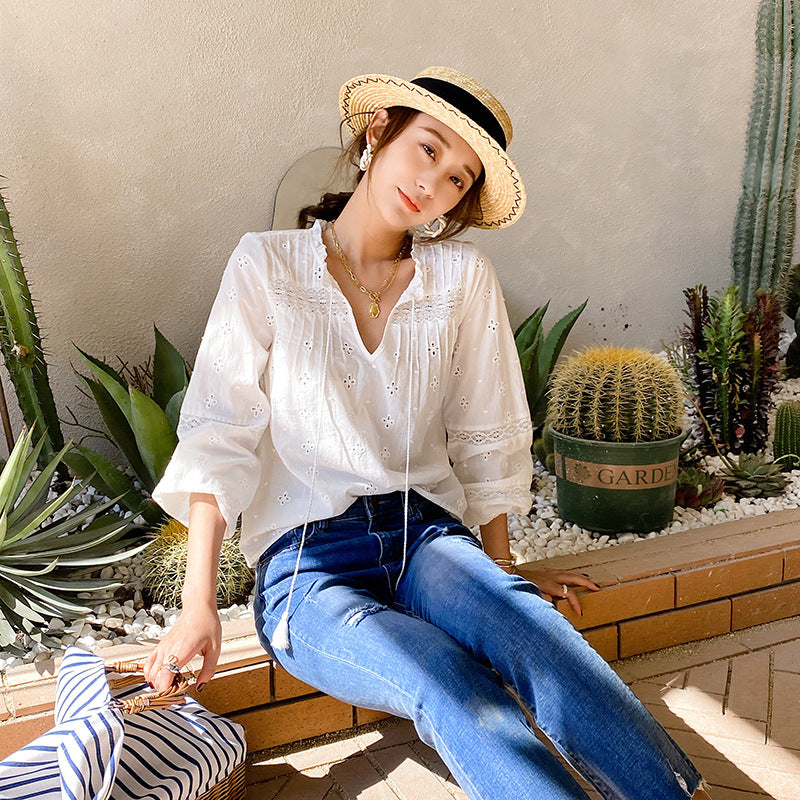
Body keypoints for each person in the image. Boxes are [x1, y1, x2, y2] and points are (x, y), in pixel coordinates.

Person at [145, 67, 711, 800]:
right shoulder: (267, 265)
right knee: (446, 681)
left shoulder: (460, 279)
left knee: (539, 637)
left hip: (428, 540)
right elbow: (220, 433)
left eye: (457, 178)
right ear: (378, 132)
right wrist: (198, 608)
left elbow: (487, 431)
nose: (434, 182)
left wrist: (503, 580)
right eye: (429, 149)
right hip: (305, 567)